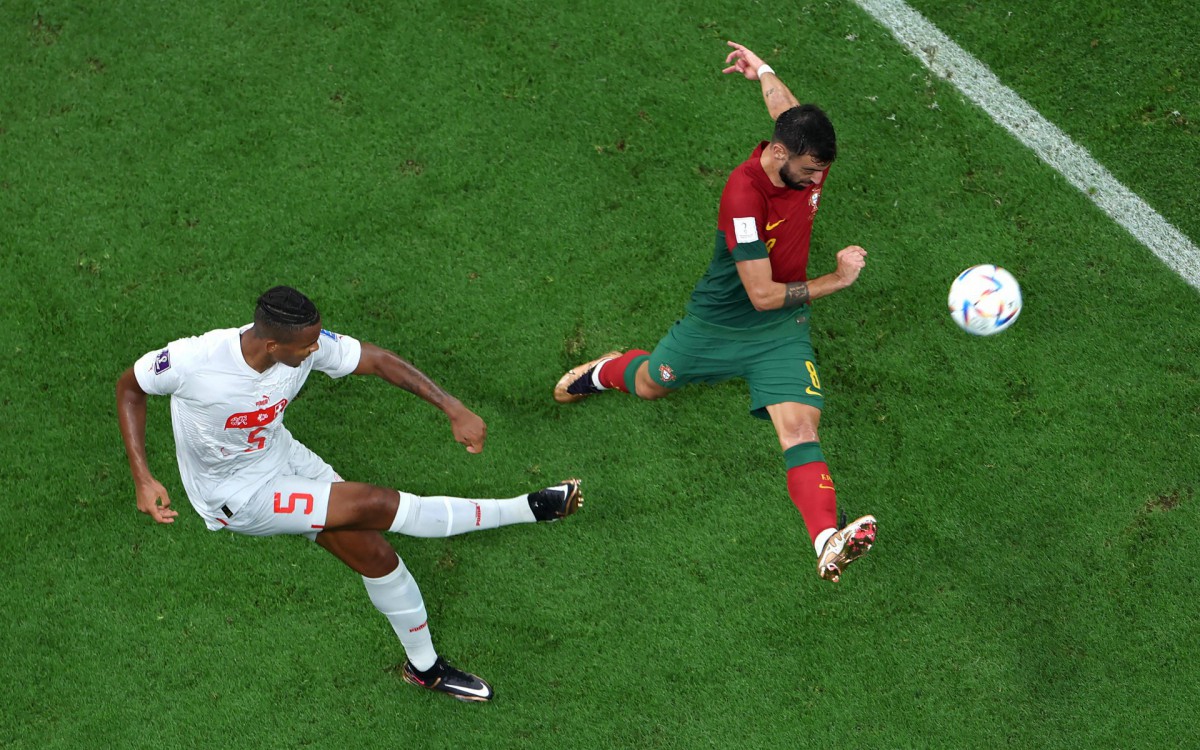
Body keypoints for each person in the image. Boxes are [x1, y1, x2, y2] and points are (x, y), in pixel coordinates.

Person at [116, 285, 582, 702]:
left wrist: (451, 405)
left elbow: (376, 360)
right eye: (307, 345)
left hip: (284, 458)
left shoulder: (301, 345)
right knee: (376, 503)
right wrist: (143, 476)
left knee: (377, 557)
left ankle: (425, 671)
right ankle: (531, 508)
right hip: (237, 496)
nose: (317, 350)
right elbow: (130, 388)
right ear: (272, 343)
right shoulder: (194, 360)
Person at [554, 41, 875, 583]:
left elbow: (787, 111)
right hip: (724, 319)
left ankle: (826, 537)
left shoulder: (794, 146)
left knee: (798, 430)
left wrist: (764, 70)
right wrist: (836, 280)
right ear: (778, 155)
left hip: (779, 332)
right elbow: (763, 295)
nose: (818, 181)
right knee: (655, 381)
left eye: (822, 170)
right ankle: (606, 371)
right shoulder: (744, 197)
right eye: (810, 170)